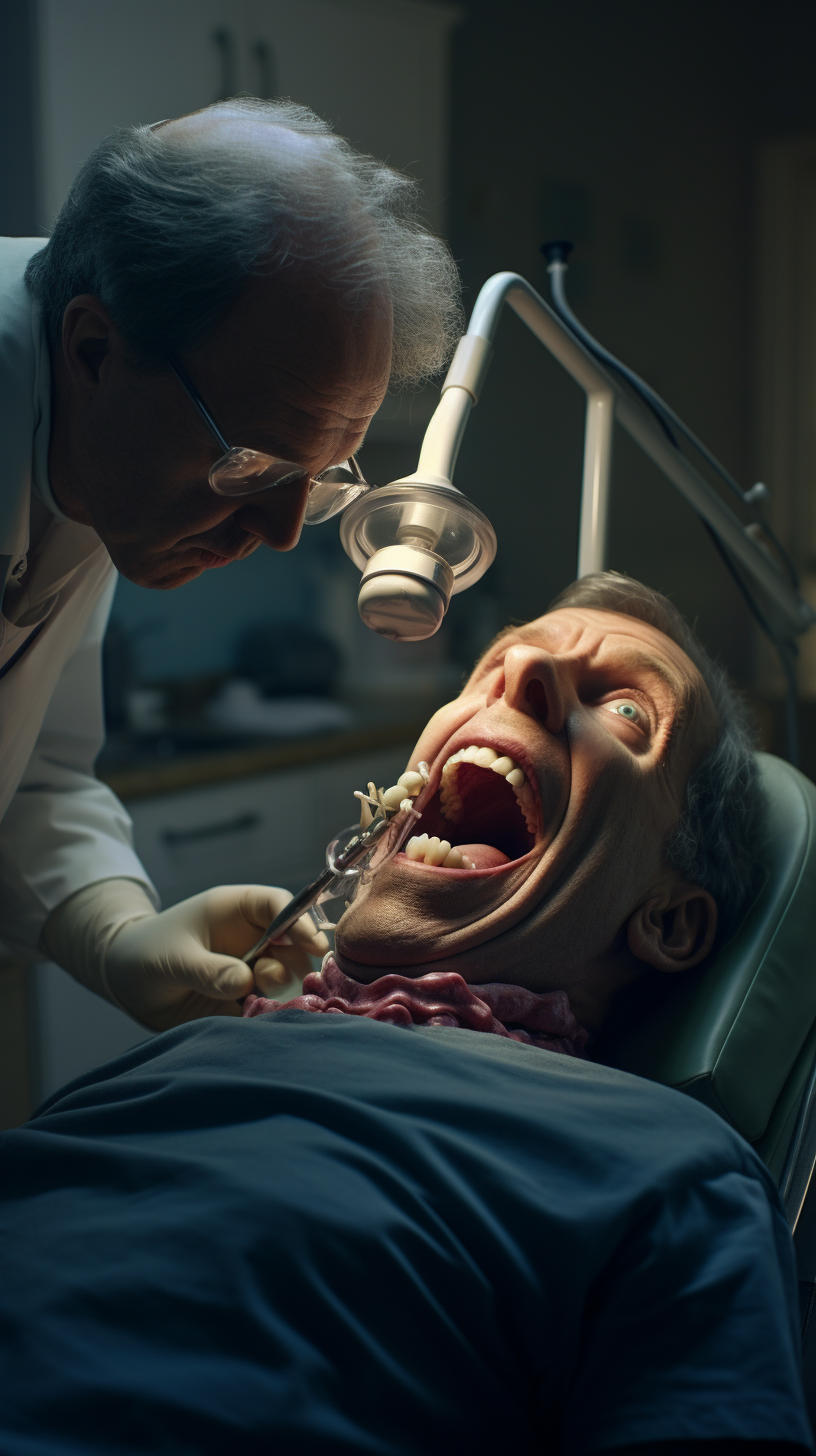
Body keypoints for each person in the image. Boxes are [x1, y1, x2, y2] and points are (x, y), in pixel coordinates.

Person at [0, 574, 810, 1455]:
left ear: (667, 918)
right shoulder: (161, 1068)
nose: (524, 667)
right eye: (496, 661)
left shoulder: (670, 1173)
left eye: (625, 710)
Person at [0, 97, 462, 1026]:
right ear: (93, 350)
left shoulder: (90, 446)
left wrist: (114, 928)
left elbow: (32, 769)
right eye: (250, 462)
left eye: (323, 474)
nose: (284, 530)